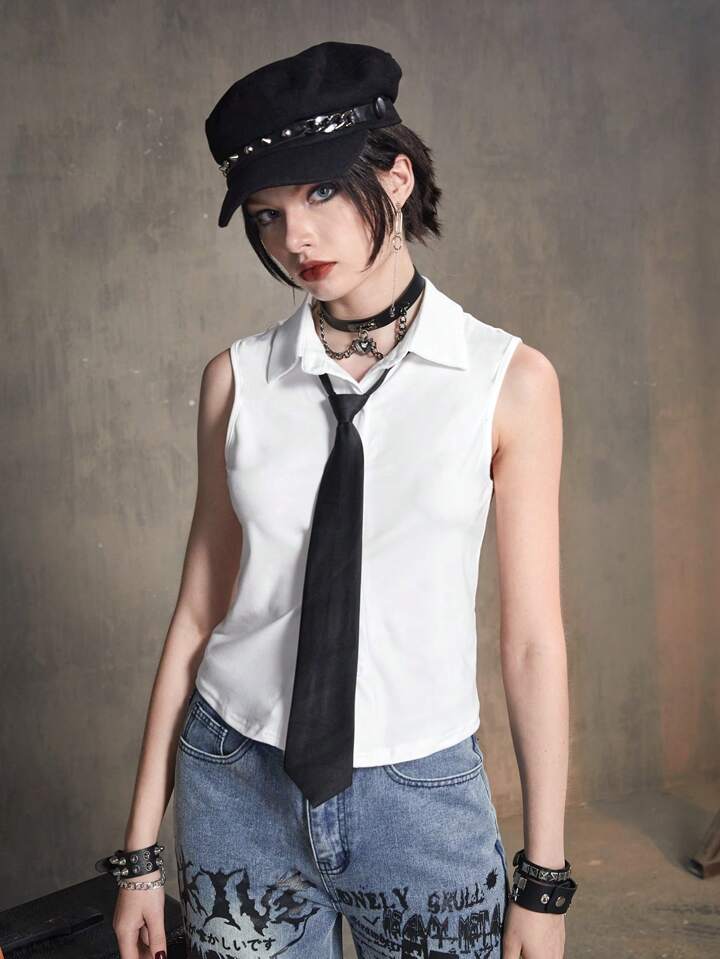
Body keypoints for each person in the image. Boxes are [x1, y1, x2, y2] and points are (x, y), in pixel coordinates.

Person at [106, 41, 577, 959]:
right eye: (267, 213)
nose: (296, 239)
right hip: (235, 784)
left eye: (321, 192)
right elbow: (198, 613)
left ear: (396, 178)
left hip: (420, 801)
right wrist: (138, 858)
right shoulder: (237, 381)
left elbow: (532, 640)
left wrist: (545, 879)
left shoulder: (508, 382)